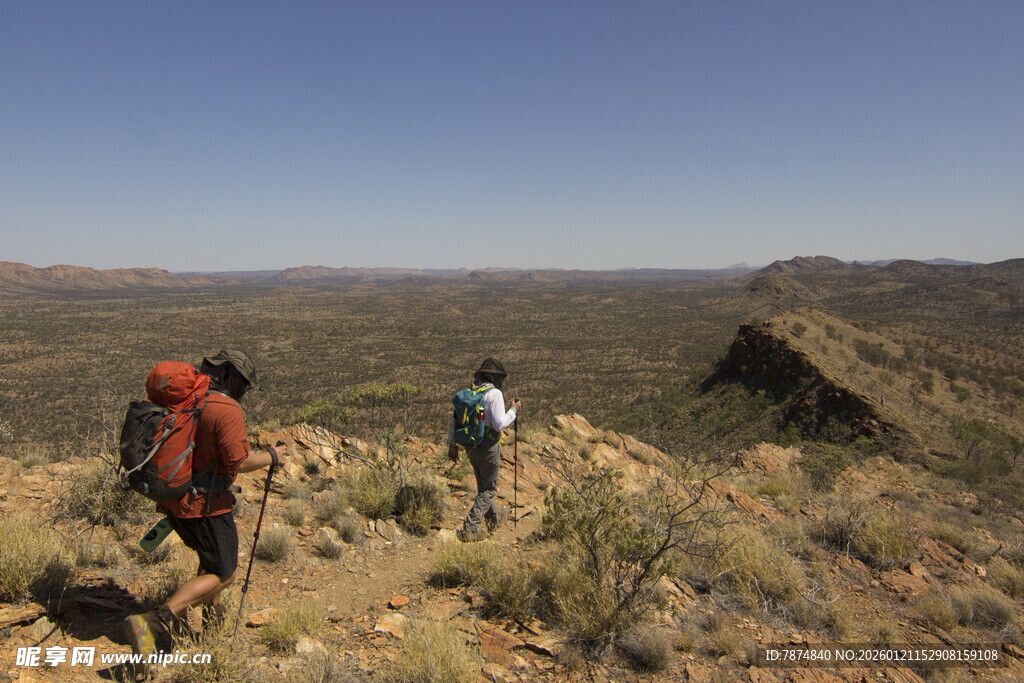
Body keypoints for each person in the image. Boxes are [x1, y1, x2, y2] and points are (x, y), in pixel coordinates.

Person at [125, 350, 282, 658]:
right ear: (230, 376)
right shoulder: (226, 408)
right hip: (206, 507)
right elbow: (241, 462)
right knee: (225, 572)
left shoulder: (190, 400)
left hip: (176, 499)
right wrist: (274, 456)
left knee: (211, 561)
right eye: (244, 383)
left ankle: (211, 625)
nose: (244, 390)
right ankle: (154, 622)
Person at [448, 358, 521, 542]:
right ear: (493, 376)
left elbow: (454, 419)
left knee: (483, 485)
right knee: (488, 489)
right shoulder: (494, 393)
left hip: (470, 445)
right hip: (488, 446)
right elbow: (499, 424)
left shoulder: (471, 391)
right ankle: (470, 528)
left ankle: (493, 521)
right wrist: (514, 410)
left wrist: (452, 444)